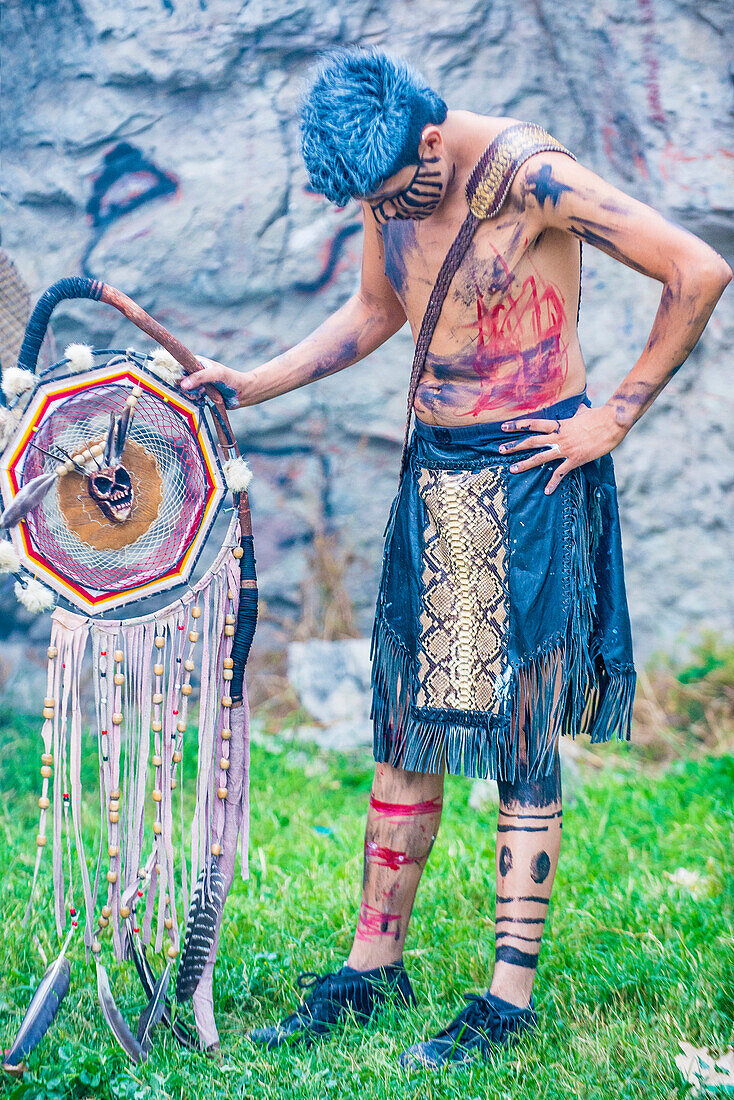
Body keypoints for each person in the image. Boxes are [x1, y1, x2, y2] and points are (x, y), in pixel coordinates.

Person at [181, 48, 731, 1069]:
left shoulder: (531, 175)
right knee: (408, 731)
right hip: (435, 476)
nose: (386, 210)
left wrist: (610, 416)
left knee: (519, 735)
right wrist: (252, 382)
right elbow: (375, 311)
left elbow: (695, 270)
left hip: (526, 478)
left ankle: (505, 996)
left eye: (394, 191)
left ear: (429, 141)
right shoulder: (389, 177)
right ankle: (370, 966)